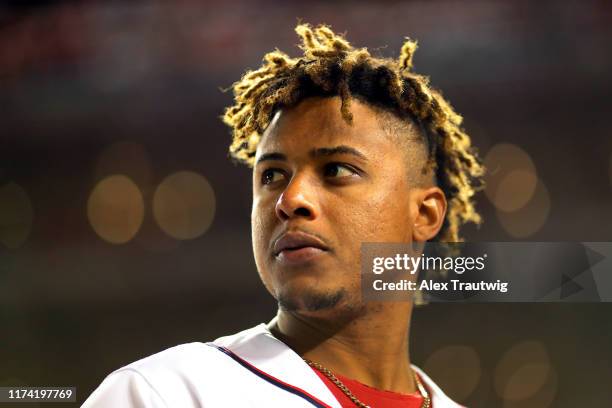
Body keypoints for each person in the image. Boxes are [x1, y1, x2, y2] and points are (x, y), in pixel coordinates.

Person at [83, 23, 483, 408]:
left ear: (425, 213)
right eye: (272, 176)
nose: (290, 199)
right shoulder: (163, 395)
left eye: (336, 170)